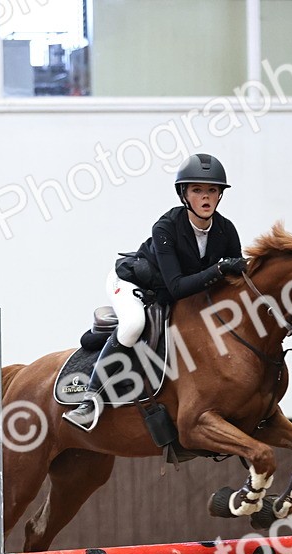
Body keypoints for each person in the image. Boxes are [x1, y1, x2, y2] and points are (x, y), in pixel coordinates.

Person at [63, 153, 247, 431]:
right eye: (197, 190)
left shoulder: (226, 229)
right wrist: (219, 270)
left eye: (212, 190)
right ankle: (90, 400)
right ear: (184, 194)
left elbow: (233, 284)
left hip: (174, 291)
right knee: (134, 324)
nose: (206, 197)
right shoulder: (166, 227)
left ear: (220, 195)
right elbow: (176, 286)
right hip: (132, 283)